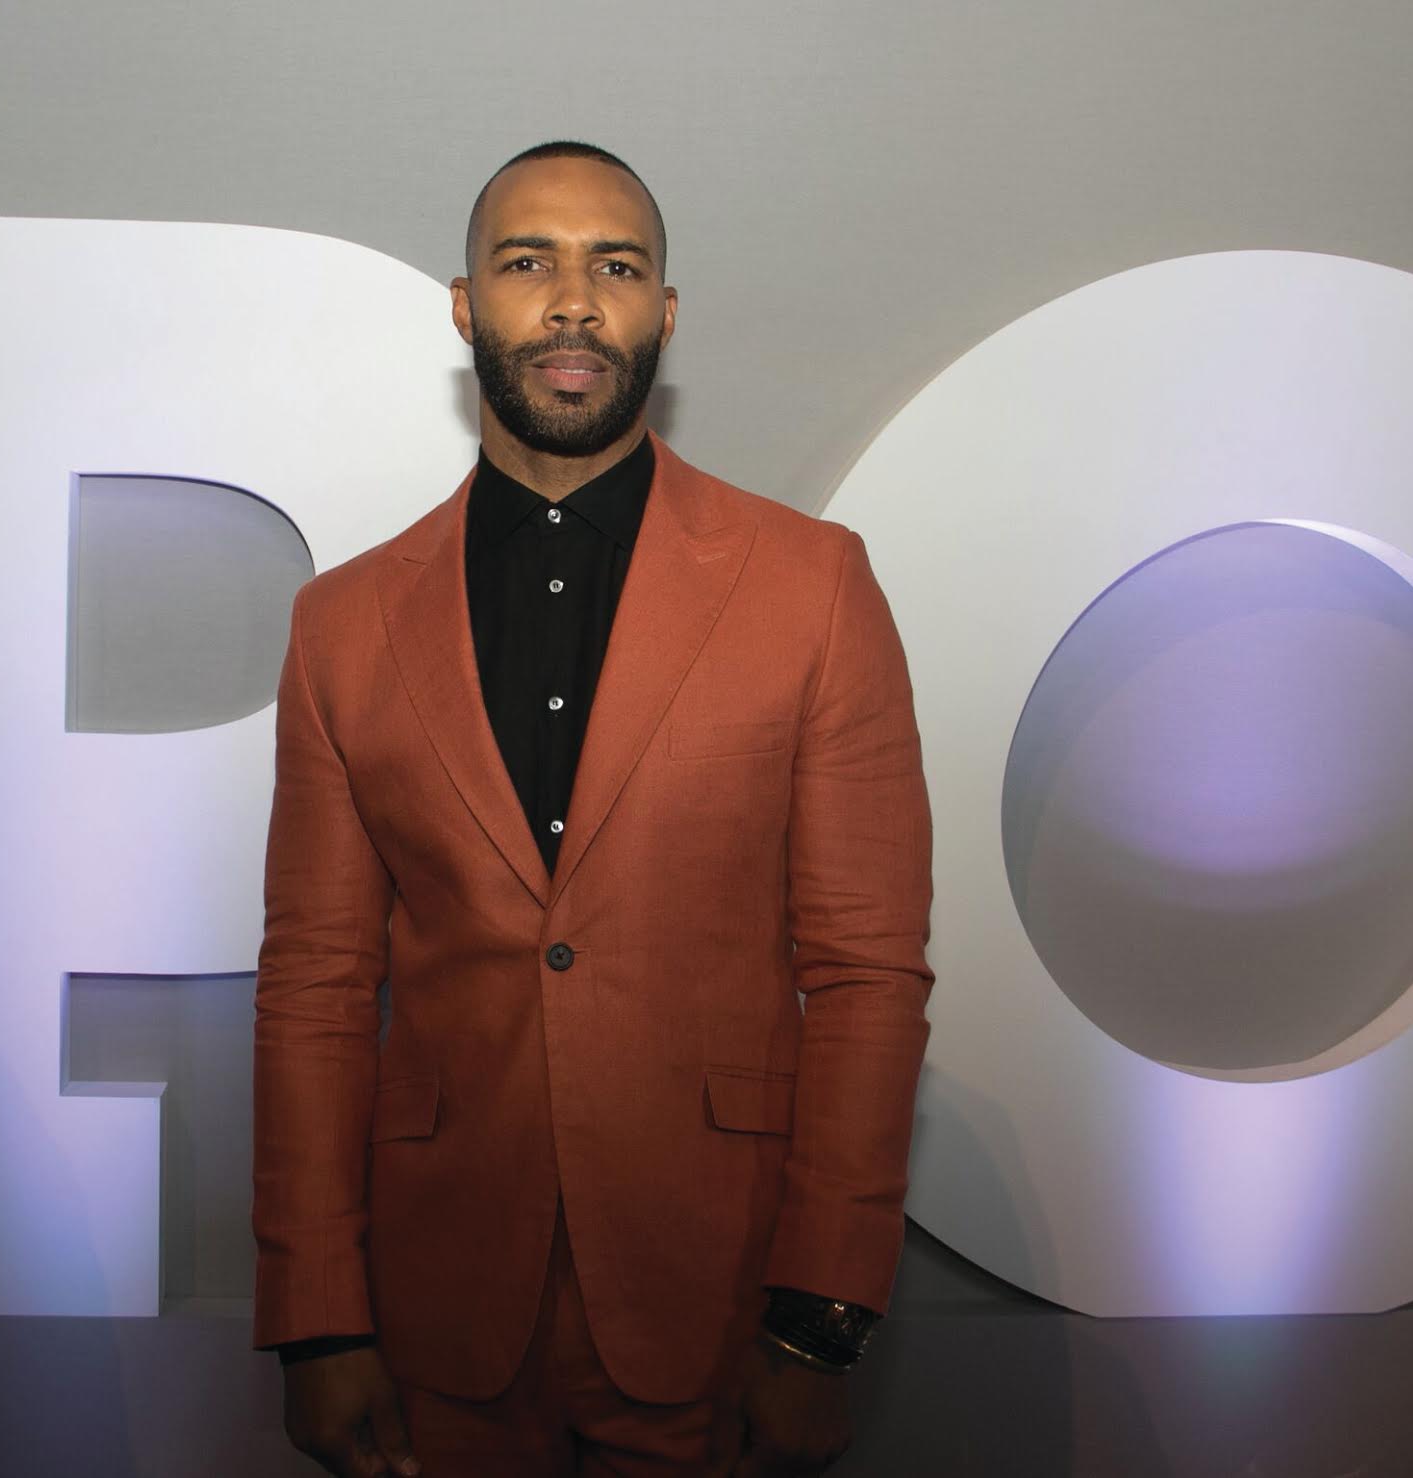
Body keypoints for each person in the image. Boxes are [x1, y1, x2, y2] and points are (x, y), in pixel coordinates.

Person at [251, 140, 935, 1477]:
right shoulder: (341, 623)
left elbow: (866, 974)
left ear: (663, 313)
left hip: (724, 1303)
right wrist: (315, 1318)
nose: (573, 301)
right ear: (466, 306)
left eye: (615, 268)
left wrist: (818, 1327)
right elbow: (315, 986)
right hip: (436, 1314)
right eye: (529, 263)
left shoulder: (813, 587)